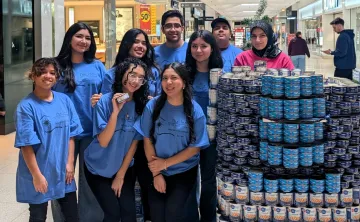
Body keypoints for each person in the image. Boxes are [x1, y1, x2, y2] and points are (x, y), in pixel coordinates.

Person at [91, 28, 160, 221]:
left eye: (144, 43)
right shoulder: (111, 74)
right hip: (117, 139)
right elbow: (107, 102)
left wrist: (151, 101)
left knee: (146, 183)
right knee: (118, 199)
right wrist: (101, 103)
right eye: (135, 41)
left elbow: (161, 100)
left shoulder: (154, 71)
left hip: (142, 135)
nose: (140, 46)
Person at [134, 62, 209, 222]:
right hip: (156, 169)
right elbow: (147, 140)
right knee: (157, 215)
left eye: (174, 78)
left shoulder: (195, 111)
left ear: (183, 83)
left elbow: (195, 147)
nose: (169, 82)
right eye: (165, 78)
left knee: (173, 213)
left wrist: (165, 163)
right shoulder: (152, 106)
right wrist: (157, 172)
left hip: (183, 171)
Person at [14, 58, 83, 222]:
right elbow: (26, 146)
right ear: (33, 76)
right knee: (38, 216)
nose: (48, 76)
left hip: (62, 170)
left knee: (72, 215)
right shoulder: (26, 106)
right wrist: (37, 175)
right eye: (43, 72)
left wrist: (69, 163)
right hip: (39, 170)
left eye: (52, 73)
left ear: (57, 77)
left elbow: (71, 135)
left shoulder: (64, 100)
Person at [52, 22, 106, 222]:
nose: (84, 41)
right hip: (62, 133)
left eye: (88, 38)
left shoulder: (97, 66)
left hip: (91, 131)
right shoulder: (56, 66)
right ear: (70, 38)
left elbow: (107, 96)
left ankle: (89, 219)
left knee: (90, 181)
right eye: (79, 36)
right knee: (60, 178)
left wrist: (102, 99)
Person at [84, 58, 149, 222]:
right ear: (122, 74)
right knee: (112, 214)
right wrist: (115, 112)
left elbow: (134, 143)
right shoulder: (104, 101)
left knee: (128, 215)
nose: (136, 81)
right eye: (132, 75)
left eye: (141, 78)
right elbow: (104, 141)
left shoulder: (141, 106)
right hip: (97, 167)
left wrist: (120, 175)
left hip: (123, 167)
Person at [186, 30, 223, 222]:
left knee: (208, 182)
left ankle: (208, 218)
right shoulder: (183, 74)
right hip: (187, 138)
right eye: (194, 46)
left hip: (211, 138)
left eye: (203, 46)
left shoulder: (221, 75)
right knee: (188, 181)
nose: (198, 50)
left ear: (212, 48)